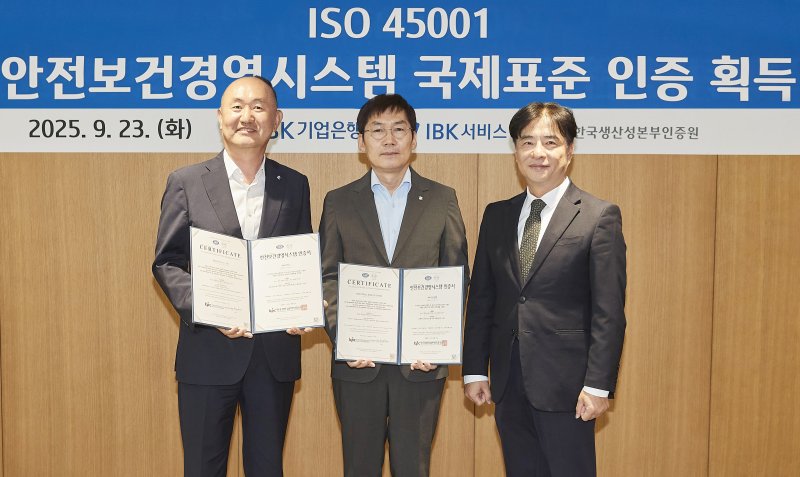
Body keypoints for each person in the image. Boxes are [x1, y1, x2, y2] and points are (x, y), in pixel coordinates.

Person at [152, 76, 313, 477]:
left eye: (259, 107)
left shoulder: (295, 185)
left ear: (276, 120)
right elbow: (167, 262)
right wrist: (209, 308)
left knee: (267, 468)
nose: (247, 116)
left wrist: (303, 306)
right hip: (208, 353)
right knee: (203, 469)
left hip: (273, 356)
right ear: (220, 116)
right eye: (237, 106)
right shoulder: (186, 182)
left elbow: (300, 261)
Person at [462, 102, 627, 476]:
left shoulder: (598, 216)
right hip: (508, 382)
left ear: (569, 150)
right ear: (515, 151)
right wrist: (474, 370)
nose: (538, 153)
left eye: (550, 142)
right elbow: (483, 298)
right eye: (527, 142)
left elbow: (609, 312)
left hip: (568, 386)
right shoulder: (497, 214)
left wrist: (598, 385)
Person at [319, 94, 469, 477]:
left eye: (399, 130)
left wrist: (437, 344)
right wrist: (344, 337)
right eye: (377, 131)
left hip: (420, 365)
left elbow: (455, 276)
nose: (389, 140)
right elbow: (327, 277)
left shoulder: (443, 199)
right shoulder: (338, 202)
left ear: (413, 139)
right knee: (359, 467)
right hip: (357, 364)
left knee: (413, 467)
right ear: (361, 141)